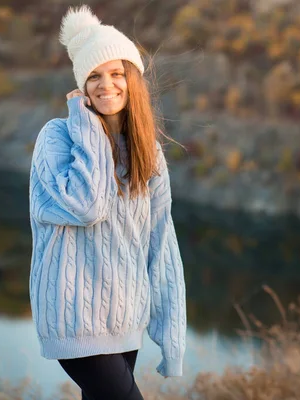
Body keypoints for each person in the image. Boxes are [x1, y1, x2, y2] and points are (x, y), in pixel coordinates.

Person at [28, 5, 186, 399]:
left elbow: (160, 240)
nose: (106, 85)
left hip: (126, 317)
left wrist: (170, 332)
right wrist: (85, 125)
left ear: (133, 80)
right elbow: (86, 205)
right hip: (75, 319)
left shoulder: (146, 151)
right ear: (81, 87)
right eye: (94, 76)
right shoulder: (57, 138)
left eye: (117, 73)